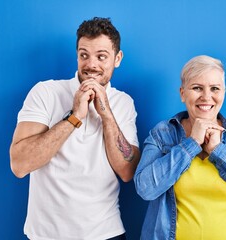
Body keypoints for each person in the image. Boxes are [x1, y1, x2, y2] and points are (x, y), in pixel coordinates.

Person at [10, 17, 140, 240]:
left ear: (117, 58)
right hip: (46, 235)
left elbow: (127, 172)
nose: (91, 65)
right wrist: (74, 117)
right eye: (84, 55)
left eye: (101, 56)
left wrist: (106, 114)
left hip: (106, 233)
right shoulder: (46, 92)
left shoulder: (123, 103)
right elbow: (20, 165)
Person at [134, 55, 226, 240]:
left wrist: (219, 152)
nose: (206, 97)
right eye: (197, 88)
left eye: (214, 88)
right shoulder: (163, 133)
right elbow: (145, 188)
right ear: (182, 93)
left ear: (223, 93)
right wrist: (191, 144)